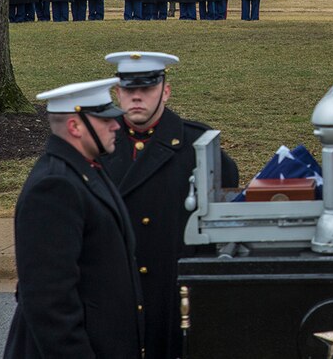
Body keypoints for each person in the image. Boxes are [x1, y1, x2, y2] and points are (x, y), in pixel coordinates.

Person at [101, 51, 239, 359]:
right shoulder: (98, 144)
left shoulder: (196, 146)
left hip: (173, 296)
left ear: (165, 91)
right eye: (128, 90)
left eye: (147, 89)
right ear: (117, 93)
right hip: (117, 295)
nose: (137, 98)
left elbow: (220, 222)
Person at [3, 78, 144, 359]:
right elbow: (49, 303)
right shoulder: (55, 187)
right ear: (75, 126)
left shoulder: (86, 168)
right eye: (105, 120)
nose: (117, 125)